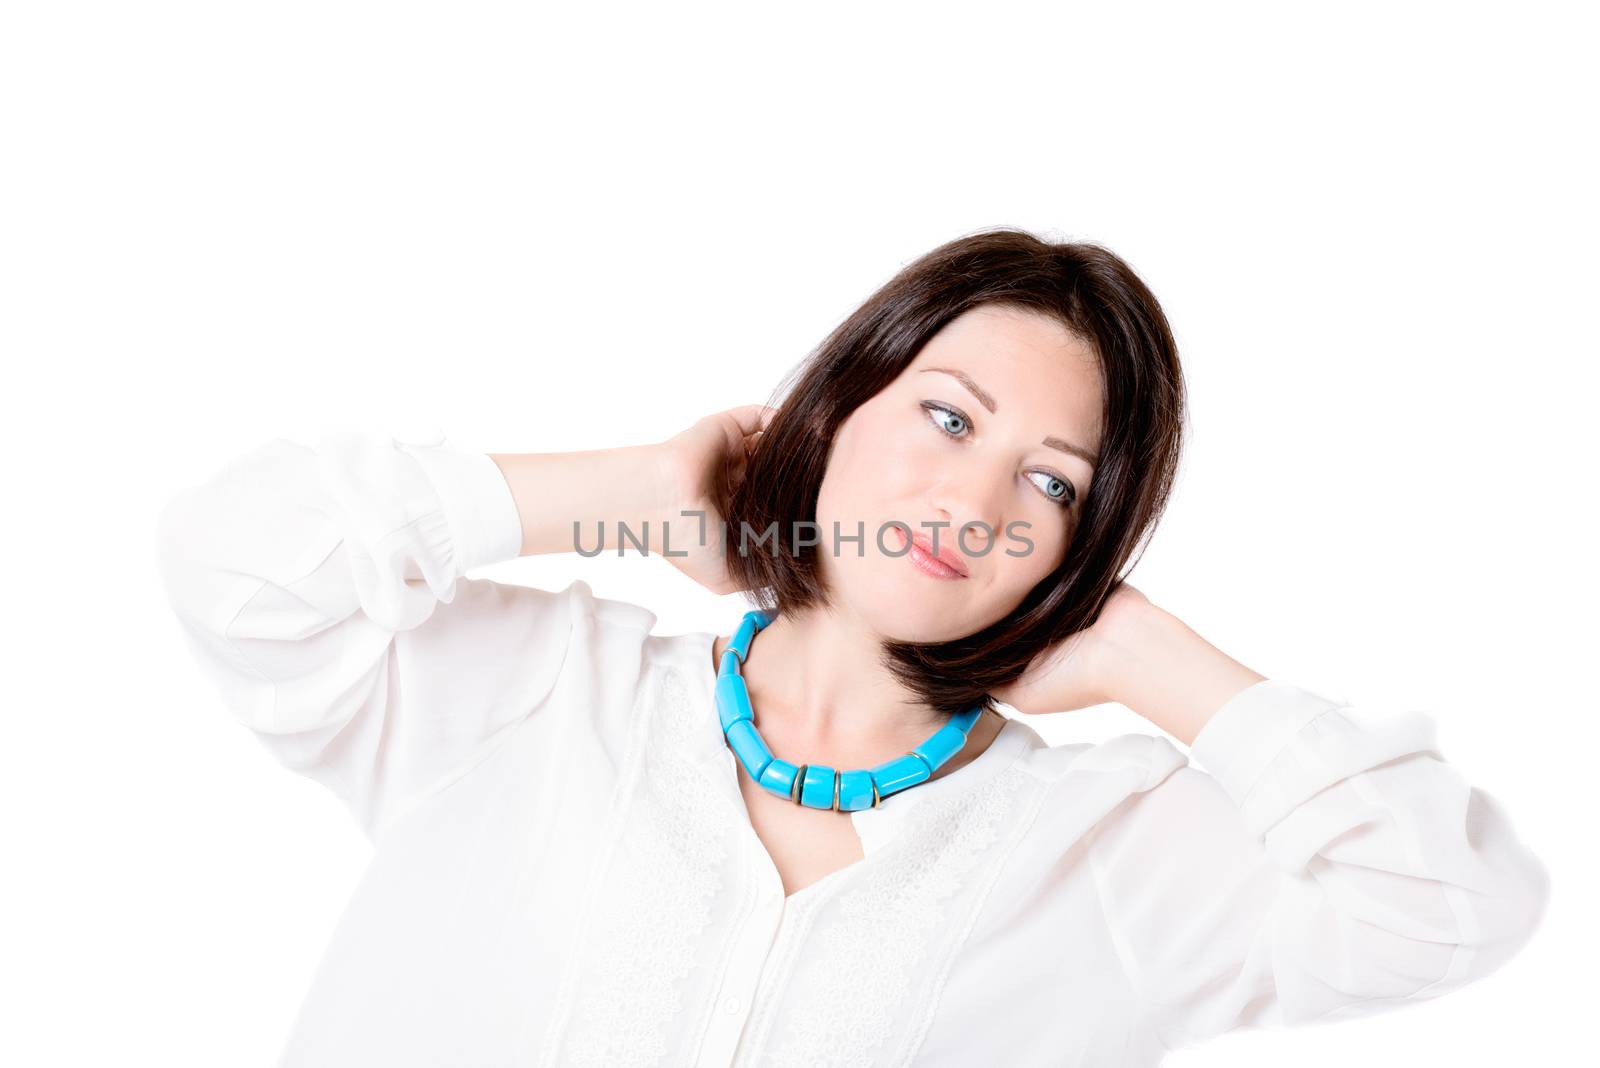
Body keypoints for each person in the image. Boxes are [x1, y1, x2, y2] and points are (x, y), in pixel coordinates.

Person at [156, 228, 1551, 1067]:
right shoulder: (536, 697)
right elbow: (243, 565)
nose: (976, 501)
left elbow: (1454, 901)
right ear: (835, 410)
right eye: (949, 418)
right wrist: (629, 494)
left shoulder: (1109, 853)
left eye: (1053, 484)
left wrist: (1149, 657)